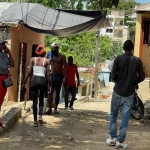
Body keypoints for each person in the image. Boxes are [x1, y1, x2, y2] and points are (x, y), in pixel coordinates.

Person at [106, 40, 145, 149]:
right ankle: (120, 141)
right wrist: (132, 81)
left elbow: (113, 76)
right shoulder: (137, 60)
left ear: (123, 48)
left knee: (113, 113)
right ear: (132, 48)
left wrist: (120, 81)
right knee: (125, 117)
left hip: (118, 92)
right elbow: (141, 77)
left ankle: (112, 138)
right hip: (129, 93)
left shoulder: (118, 59)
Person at [21, 45, 51, 127]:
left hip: (34, 80)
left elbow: (28, 72)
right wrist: (50, 86)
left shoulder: (32, 59)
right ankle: (40, 116)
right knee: (41, 99)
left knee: (35, 101)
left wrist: (23, 83)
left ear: (36, 52)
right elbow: (48, 75)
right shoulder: (47, 61)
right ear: (44, 52)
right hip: (42, 81)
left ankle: (34, 121)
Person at [46, 42, 68, 115]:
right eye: (52, 48)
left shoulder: (62, 56)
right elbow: (44, 63)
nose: (54, 49)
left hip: (59, 75)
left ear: (57, 48)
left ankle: (55, 108)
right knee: (50, 92)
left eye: (55, 48)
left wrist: (65, 77)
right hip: (51, 75)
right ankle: (49, 109)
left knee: (57, 92)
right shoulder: (49, 55)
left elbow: (66, 66)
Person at [0, 37, 15, 131]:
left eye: (4, 44)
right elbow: (4, 66)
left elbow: (12, 64)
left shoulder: (5, 54)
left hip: (5, 78)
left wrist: (10, 54)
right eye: (1, 44)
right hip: (0, 77)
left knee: (1, 100)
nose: (3, 45)